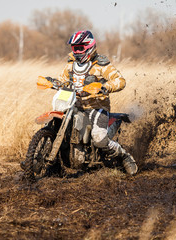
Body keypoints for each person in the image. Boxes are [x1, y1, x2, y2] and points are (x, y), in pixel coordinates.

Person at [57, 30, 138, 175]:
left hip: (97, 108)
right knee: (57, 123)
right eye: (74, 48)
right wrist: (56, 83)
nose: (76, 51)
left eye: (80, 48)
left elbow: (120, 81)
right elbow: (62, 79)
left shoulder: (101, 65)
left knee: (99, 139)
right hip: (74, 105)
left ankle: (125, 156)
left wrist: (105, 87)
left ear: (89, 46)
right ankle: (49, 162)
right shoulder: (70, 64)